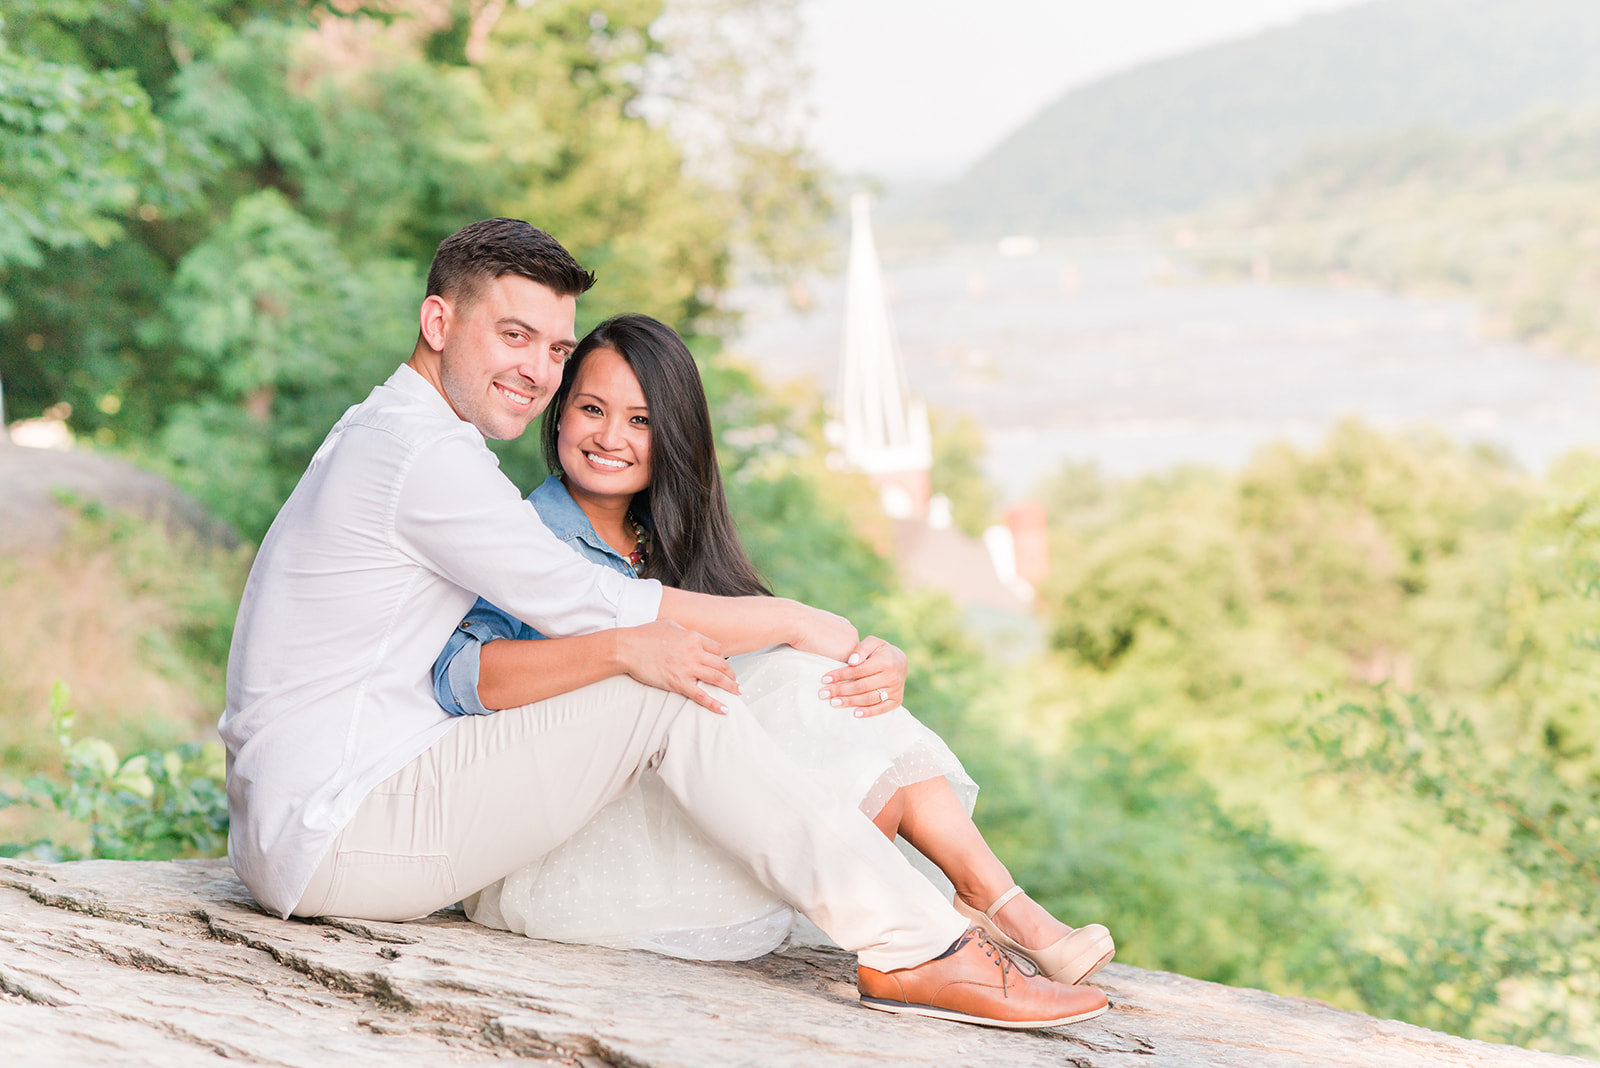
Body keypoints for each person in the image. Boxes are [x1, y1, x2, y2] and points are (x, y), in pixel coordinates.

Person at [218, 217, 1108, 1030]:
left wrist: (796, 638)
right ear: (439, 324)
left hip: (334, 810)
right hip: (336, 828)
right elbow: (586, 602)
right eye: (513, 335)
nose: (536, 369)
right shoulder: (423, 458)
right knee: (665, 683)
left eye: (554, 347)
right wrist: (791, 618)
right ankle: (918, 946)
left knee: (691, 670)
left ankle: (940, 924)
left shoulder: (402, 435)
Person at [432, 313, 1115, 986]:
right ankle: (979, 916)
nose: (611, 437)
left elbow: (764, 677)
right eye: (591, 409)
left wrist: (870, 668)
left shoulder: (668, 542)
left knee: (811, 681)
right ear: (559, 417)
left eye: (640, 420)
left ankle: (994, 903)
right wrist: (621, 650)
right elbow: (458, 674)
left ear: (675, 436)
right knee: (797, 680)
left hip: (674, 812)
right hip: (557, 848)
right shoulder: (529, 536)